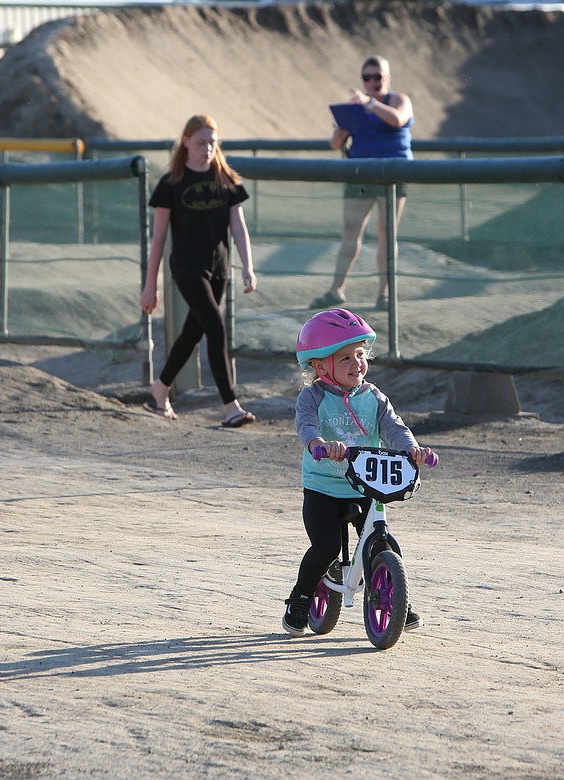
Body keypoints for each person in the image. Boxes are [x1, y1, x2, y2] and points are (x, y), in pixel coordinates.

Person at [282, 307, 434, 637]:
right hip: (323, 487)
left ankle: (398, 600)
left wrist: (412, 449)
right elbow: (306, 426)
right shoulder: (312, 397)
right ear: (321, 365)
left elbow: (395, 427)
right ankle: (301, 598)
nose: (357, 364)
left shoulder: (374, 397)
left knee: (384, 546)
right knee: (326, 546)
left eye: (360, 354)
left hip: (365, 485)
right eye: (346, 358)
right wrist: (319, 443)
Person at [141, 114, 258, 427]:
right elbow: (159, 237)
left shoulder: (228, 180)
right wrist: (150, 285)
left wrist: (248, 265)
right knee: (215, 328)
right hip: (187, 269)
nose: (207, 148)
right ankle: (231, 406)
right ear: (186, 142)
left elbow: (239, 226)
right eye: (200, 142)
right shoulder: (171, 183)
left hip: (219, 268)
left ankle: (160, 387)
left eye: (212, 142)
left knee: (193, 332)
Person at [311, 55, 414, 313]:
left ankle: (385, 293)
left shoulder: (398, 100)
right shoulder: (358, 107)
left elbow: (398, 119)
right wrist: (340, 132)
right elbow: (335, 144)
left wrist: (370, 104)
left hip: (393, 173)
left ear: (386, 78)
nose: (372, 82)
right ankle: (336, 289)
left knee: (386, 233)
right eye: (367, 78)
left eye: (377, 77)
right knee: (350, 230)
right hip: (360, 172)